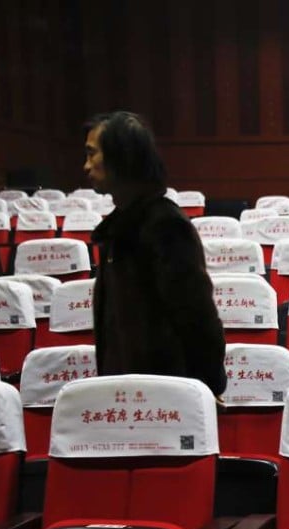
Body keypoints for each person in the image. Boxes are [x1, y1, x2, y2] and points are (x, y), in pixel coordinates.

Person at [84, 111, 227, 396]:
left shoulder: (164, 225)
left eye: (92, 154)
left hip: (165, 394)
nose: (86, 166)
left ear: (120, 157)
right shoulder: (120, 226)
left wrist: (208, 387)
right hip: (128, 391)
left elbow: (197, 317)